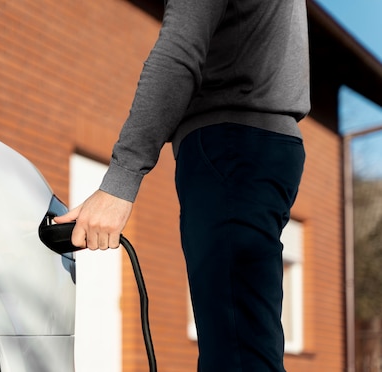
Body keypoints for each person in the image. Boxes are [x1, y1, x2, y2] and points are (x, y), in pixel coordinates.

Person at [55, 0, 309, 370]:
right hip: (264, 149)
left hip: (230, 147)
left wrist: (120, 180)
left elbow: (180, 51)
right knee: (247, 341)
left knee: (235, 354)